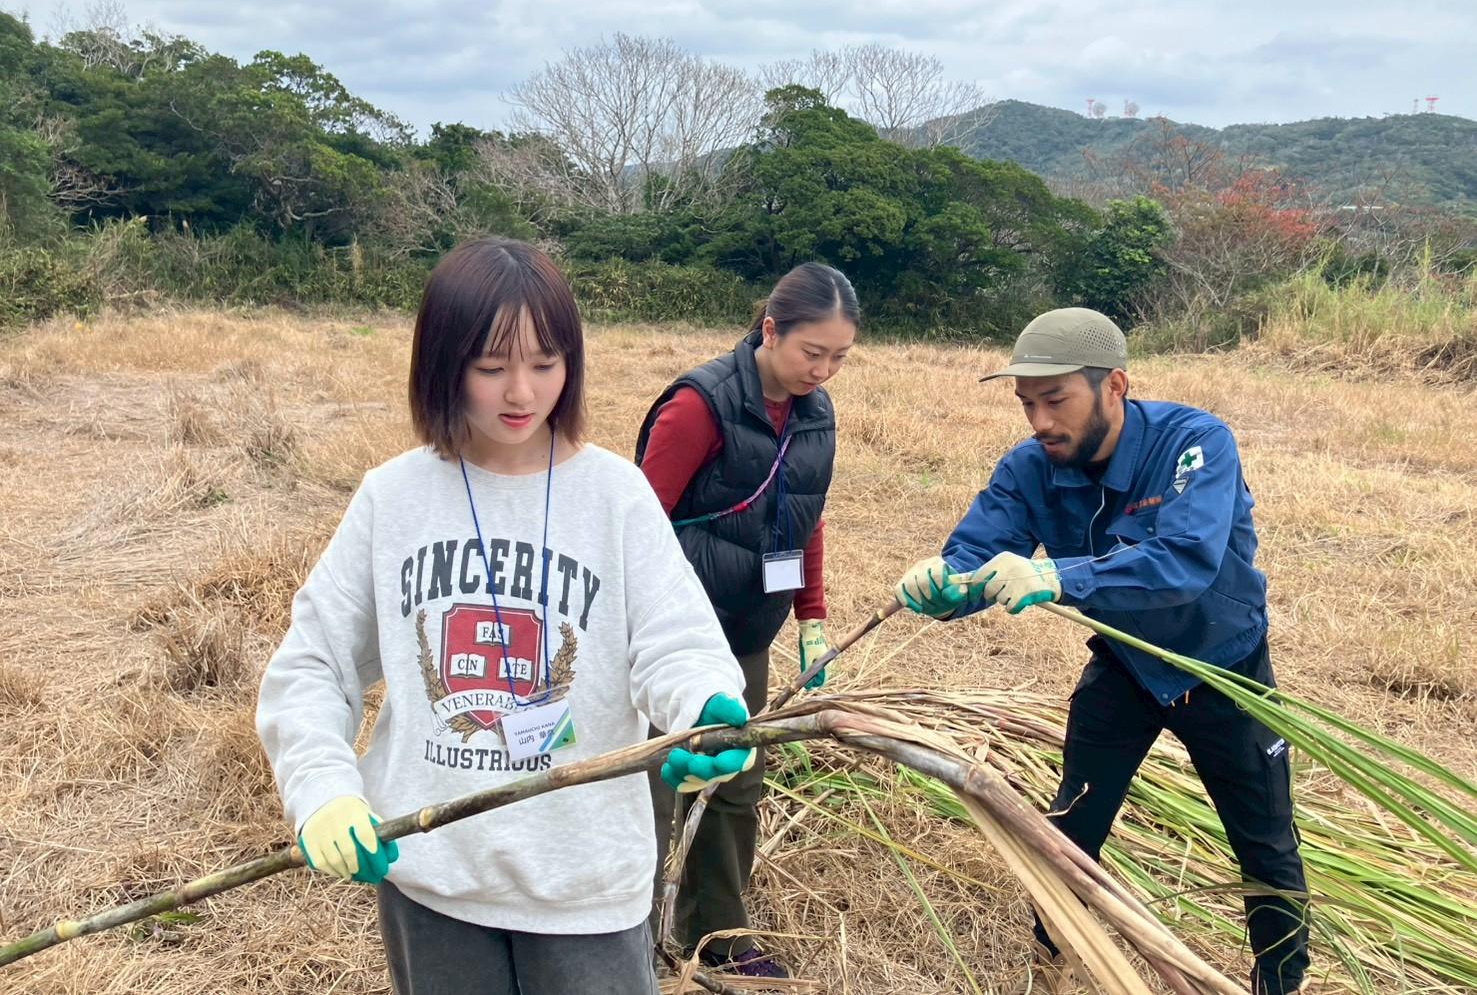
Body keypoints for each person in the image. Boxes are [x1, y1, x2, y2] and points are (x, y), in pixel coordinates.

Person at [255, 238, 754, 995]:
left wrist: (702, 709)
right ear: (441, 364)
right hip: (433, 879)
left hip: (585, 886)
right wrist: (322, 787)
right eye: (491, 367)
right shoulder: (394, 499)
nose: (521, 392)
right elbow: (314, 663)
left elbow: (673, 642)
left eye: (545, 363)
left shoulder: (613, 497)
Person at [892, 307, 1309, 995]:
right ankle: (1049, 962)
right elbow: (973, 556)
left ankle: (1279, 981)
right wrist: (940, 585)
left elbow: (1185, 560)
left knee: (1263, 842)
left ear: (1114, 385)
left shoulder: (1192, 444)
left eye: (1055, 400)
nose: (1039, 422)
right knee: (1071, 827)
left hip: (1221, 666)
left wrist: (1059, 577)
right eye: (1026, 404)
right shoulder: (1030, 467)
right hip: (1125, 663)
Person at [633, 262, 860, 978]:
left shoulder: (814, 414)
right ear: (769, 329)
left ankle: (720, 937)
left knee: (735, 784)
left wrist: (811, 616)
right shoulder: (700, 405)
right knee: (651, 785)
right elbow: (634, 525)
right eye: (809, 352)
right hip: (668, 638)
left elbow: (805, 517)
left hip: (745, 634)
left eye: (838, 358)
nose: (821, 371)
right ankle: (621, 941)